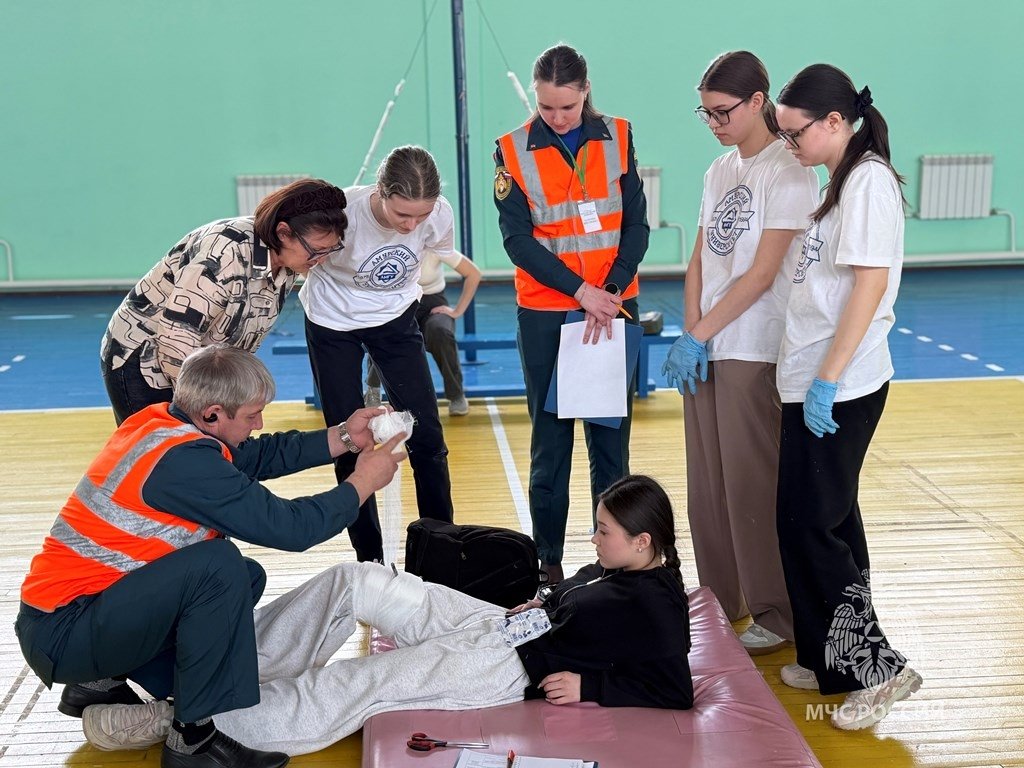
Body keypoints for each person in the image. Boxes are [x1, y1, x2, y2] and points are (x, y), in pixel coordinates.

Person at [79, 475, 693, 757]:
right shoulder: (622, 568)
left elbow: (674, 690)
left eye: (604, 531)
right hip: (497, 624)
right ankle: (217, 673)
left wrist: (591, 686)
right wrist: (541, 603)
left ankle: (192, 720)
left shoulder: (657, 608)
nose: (593, 539)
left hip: (505, 665)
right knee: (358, 581)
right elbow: (577, 607)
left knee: (359, 681)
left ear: (643, 541)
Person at [15, 345, 407, 768]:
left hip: (73, 616)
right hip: (65, 634)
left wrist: (345, 436)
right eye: (253, 415)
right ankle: (193, 741)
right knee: (218, 567)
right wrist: (361, 483)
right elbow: (291, 528)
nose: (259, 424)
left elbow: (258, 455)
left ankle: (98, 682)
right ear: (213, 414)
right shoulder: (184, 464)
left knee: (244, 576)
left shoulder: (162, 424)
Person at [773, 64, 921, 729]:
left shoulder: (867, 182)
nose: (789, 145)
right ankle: (829, 657)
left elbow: (868, 286)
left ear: (834, 122)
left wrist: (828, 377)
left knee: (815, 526)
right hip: (811, 376)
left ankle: (878, 671)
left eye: (795, 133)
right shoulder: (840, 178)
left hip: (841, 383)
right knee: (815, 521)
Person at [661, 51, 819, 656]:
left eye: (723, 112)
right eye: (705, 113)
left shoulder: (789, 170)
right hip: (709, 341)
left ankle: (776, 612)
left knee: (751, 485)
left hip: (753, 345)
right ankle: (721, 603)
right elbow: (701, 258)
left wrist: (704, 333)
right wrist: (692, 330)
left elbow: (761, 273)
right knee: (708, 486)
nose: (714, 123)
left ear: (758, 101)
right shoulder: (719, 169)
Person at [494, 44, 649, 583]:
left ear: (586, 91)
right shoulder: (511, 151)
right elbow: (518, 242)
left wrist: (609, 291)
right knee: (551, 445)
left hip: (612, 307)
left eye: (567, 106)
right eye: (546, 107)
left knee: (611, 445)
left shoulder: (620, 136)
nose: (557, 118)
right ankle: (549, 563)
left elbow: (636, 225)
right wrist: (582, 292)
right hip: (547, 313)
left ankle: (617, 559)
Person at [300, 145, 456, 563]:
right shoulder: (343, 214)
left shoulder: (439, 214)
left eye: (421, 215)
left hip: (394, 317)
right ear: (380, 191)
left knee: (428, 436)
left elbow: (431, 253)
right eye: (402, 214)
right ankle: (368, 558)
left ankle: (439, 552)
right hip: (332, 321)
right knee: (348, 441)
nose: (411, 226)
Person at [101, 179, 348, 425]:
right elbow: (175, 337)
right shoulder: (224, 252)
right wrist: (206, 407)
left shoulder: (289, 259)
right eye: (317, 250)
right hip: (145, 357)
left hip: (197, 363)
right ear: (283, 233)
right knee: (159, 444)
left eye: (329, 250)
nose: (322, 260)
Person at [364, 248, 482, 416]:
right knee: (386, 330)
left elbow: (473, 273)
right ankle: (373, 390)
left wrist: (457, 311)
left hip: (432, 304)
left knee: (441, 332)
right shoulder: (391, 248)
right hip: (400, 304)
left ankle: (456, 394)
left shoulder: (436, 247)